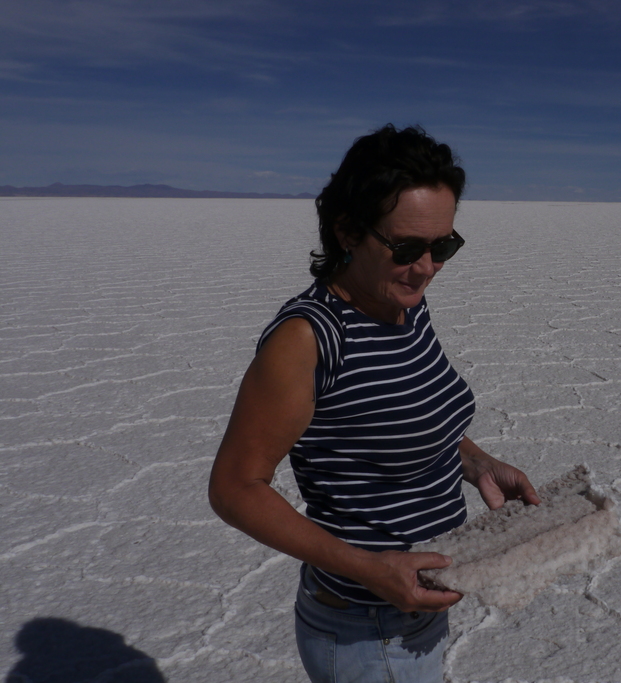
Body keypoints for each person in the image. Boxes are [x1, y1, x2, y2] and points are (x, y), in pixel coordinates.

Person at [208, 124, 540, 683]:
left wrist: (476, 462)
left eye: (445, 245)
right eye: (407, 248)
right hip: (367, 627)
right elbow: (234, 488)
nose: (428, 266)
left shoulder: (403, 308)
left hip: (413, 608)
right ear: (348, 232)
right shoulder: (309, 339)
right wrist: (370, 569)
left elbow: (401, 416)